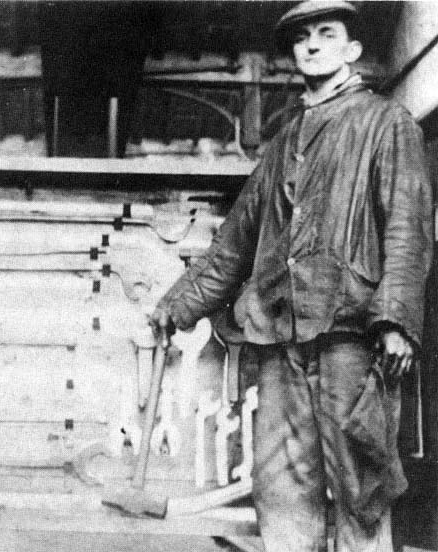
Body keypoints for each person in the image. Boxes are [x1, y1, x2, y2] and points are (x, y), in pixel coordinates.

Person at [150, 1, 433, 550]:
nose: (310, 44)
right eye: (302, 37)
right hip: (282, 343)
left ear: (352, 51)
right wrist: (175, 306)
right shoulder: (282, 146)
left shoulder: (386, 123)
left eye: (326, 34)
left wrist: (395, 318)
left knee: (362, 490)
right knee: (280, 491)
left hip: (353, 338)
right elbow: (231, 247)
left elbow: (407, 225)